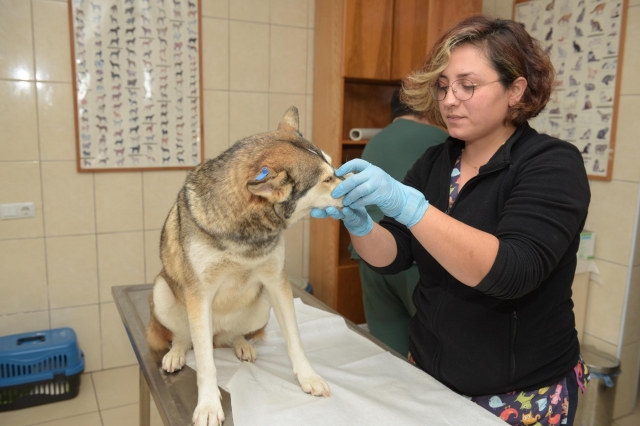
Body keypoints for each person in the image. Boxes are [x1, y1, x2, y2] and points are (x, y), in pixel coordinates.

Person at [312, 15, 590, 425]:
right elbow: (395, 256)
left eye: (468, 85)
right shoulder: (435, 161)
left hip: (521, 393)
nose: (449, 99)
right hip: (430, 375)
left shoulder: (552, 164)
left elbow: (512, 272)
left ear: (516, 89)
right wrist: (361, 225)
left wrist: (415, 210)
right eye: (443, 86)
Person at [350, 88, 448, 356]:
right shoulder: (441, 140)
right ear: (428, 107)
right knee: (432, 349)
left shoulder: (374, 142)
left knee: (387, 346)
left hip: (370, 254)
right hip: (416, 259)